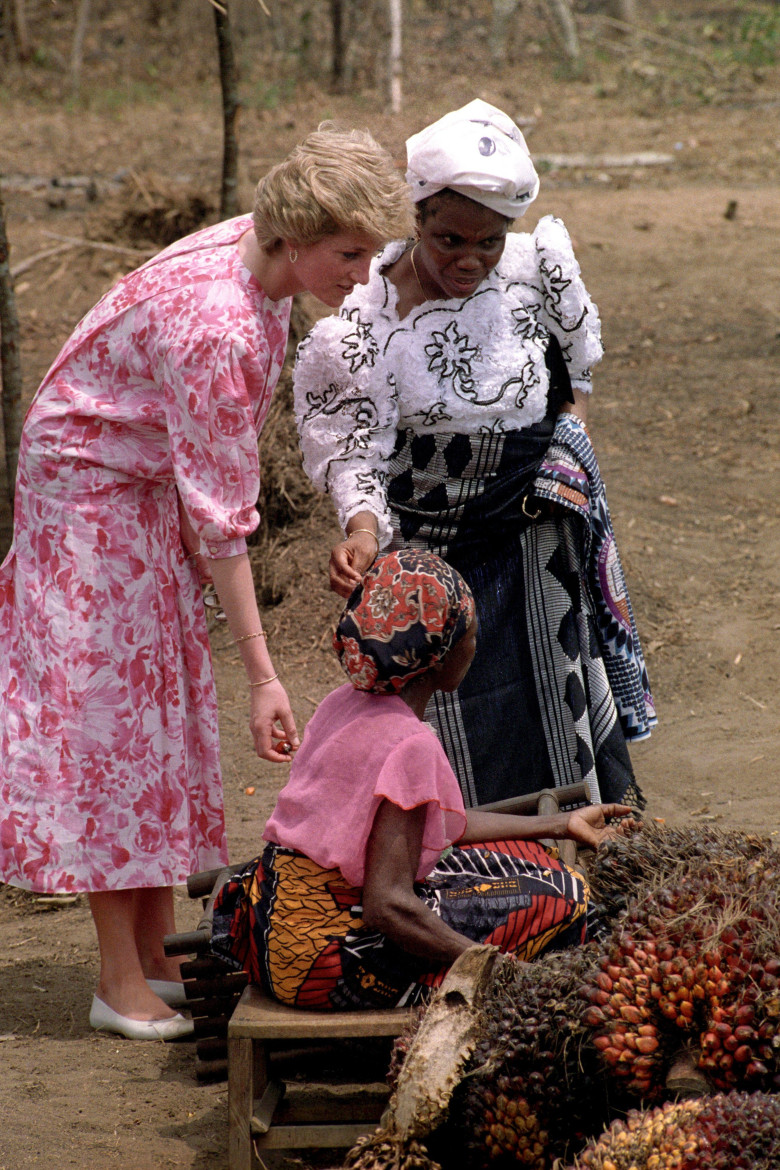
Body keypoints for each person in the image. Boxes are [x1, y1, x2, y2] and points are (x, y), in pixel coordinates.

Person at [0, 125, 415, 1040]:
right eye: (349, 253)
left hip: (136, 480)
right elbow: (221, 517)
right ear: (295, 236)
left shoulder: (259, 256)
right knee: (109, 724)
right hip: (88, 493)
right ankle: (117, 980)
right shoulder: (218, 326)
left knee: (154, 712)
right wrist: (264, 674)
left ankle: (154, 950)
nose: (362, 270)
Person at [294, 99, 655, 813]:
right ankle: (457, 881)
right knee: (447, 716)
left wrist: (565, 459)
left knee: (555, 693)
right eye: (450, 238)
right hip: (431, 555)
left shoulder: (536, 272)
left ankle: (577, 866)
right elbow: (353, 448)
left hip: (533, 537)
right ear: (416, 217)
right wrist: (362, 533)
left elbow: (574, 382)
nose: (471, 259)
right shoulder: (364, 321)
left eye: (489, 241)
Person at [210, 550, 637, 1010]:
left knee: (533, 859)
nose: (475, 645)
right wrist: (487, 964)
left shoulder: (343, 704)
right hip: (323, 963)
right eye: (469, 635)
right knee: (567, 898)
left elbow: (431, 825)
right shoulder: (409, 745)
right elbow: (386, 905)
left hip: (272, 929)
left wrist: (559, 823)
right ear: (438, 657)